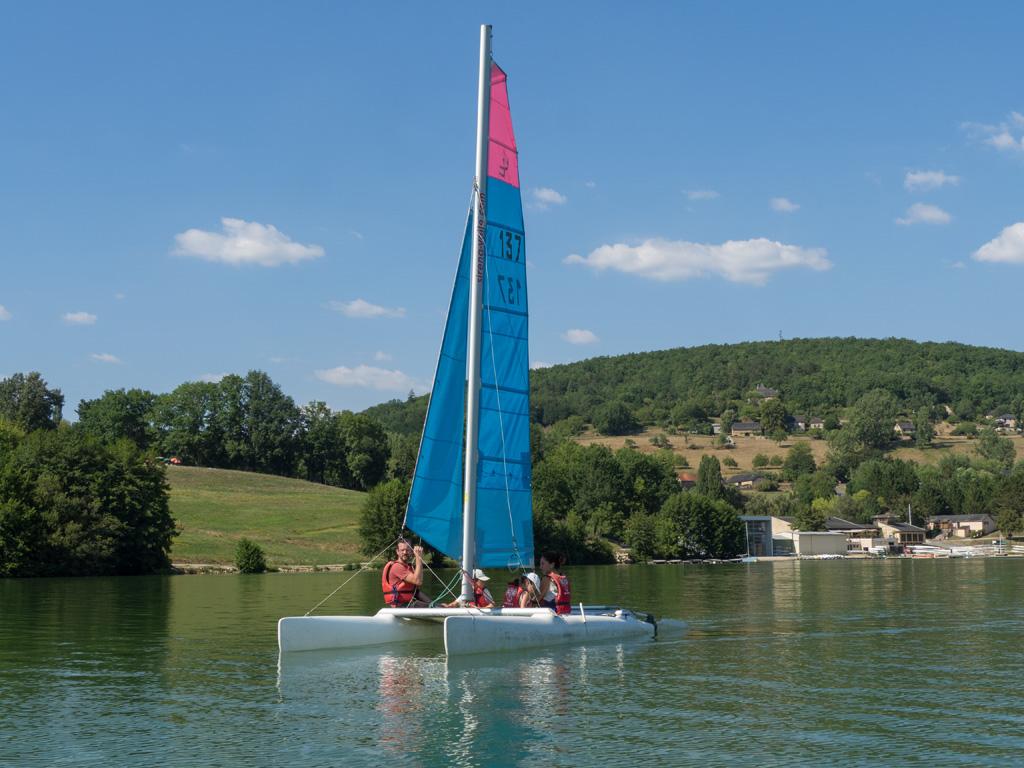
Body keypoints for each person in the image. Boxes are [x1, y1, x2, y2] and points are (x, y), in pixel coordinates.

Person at [381, 541, 431, 607]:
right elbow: (417, 581)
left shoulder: (408, 567)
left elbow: (419, 584)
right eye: (402, 550)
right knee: (435, 607)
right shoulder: (397, 567)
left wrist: (435, 604)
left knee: (437, 606)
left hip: (409, 603)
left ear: (411, 551)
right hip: (400, 605)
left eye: (407, 550)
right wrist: (418, 558)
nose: (405, 552)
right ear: (397, 552)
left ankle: (444, 607)